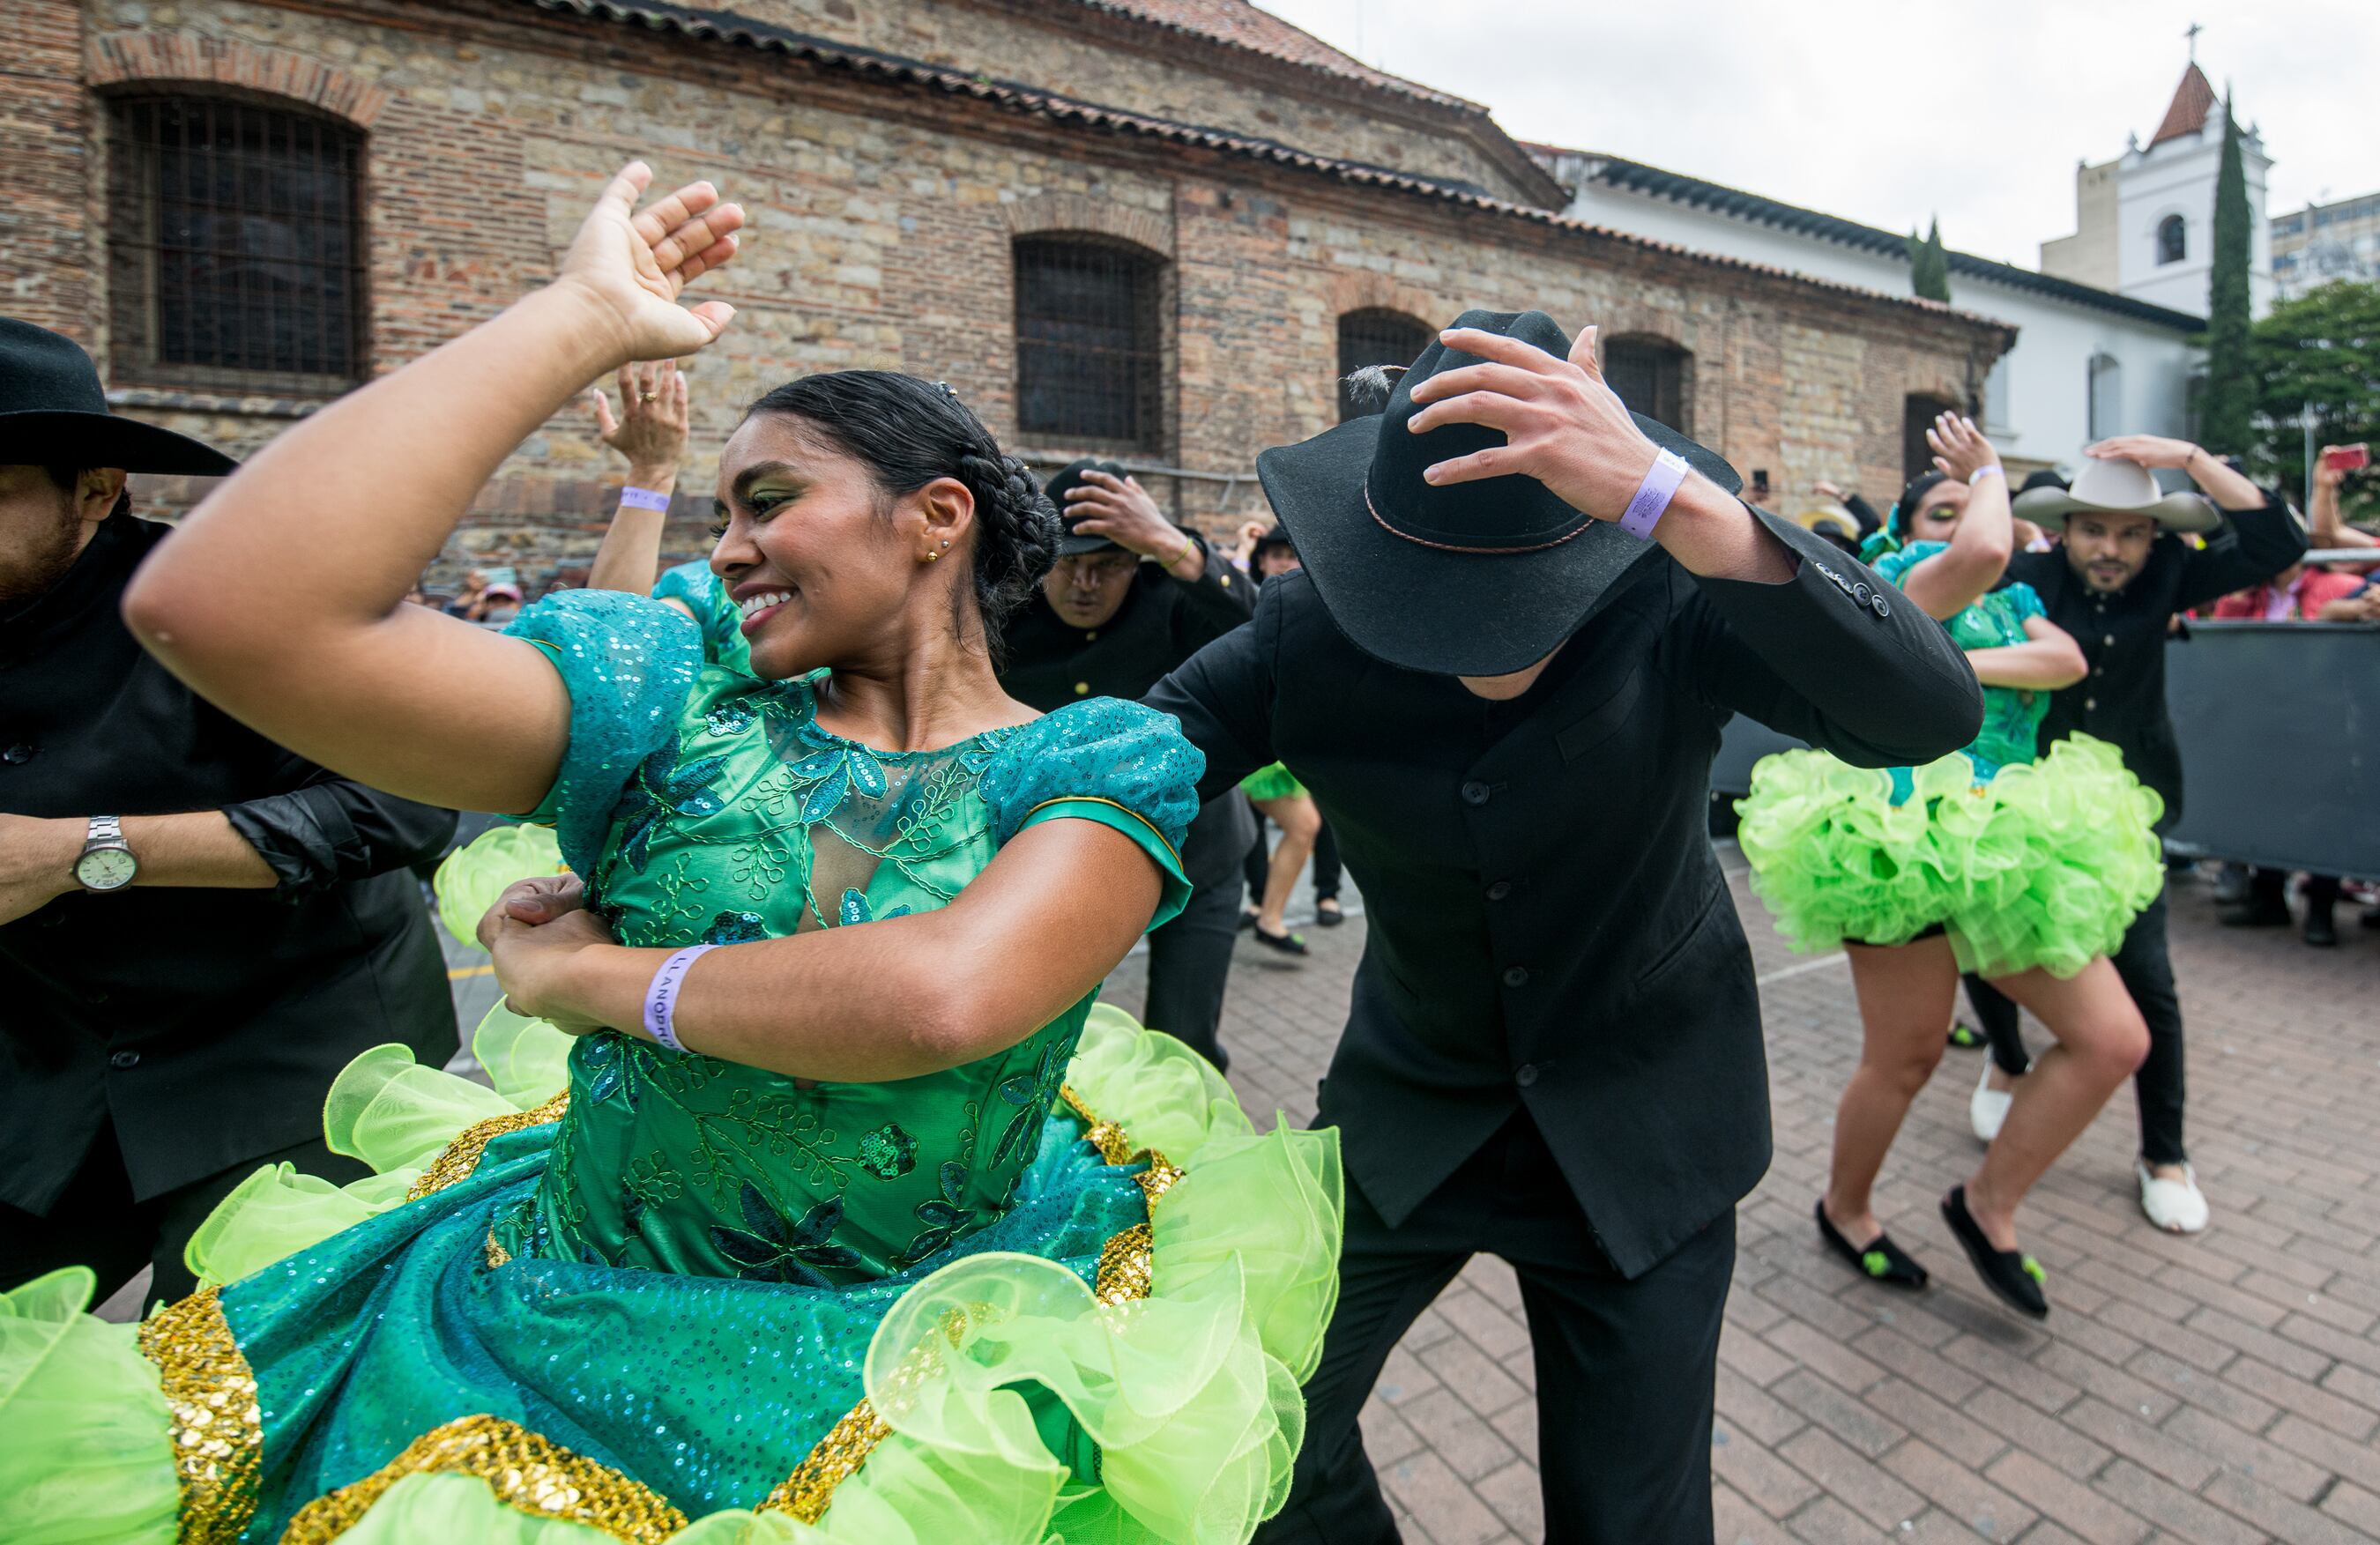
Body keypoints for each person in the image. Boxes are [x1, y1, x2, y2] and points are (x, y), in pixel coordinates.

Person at [1, 165, 1339, 1543]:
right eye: (717, 518)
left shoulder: (1095, 758)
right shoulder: (671, 702)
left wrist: (589, 982)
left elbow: (948, 998)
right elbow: (226, 608)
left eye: (769, 500)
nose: (735, 545)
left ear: (934, 518)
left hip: (930, 1380)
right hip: (542, 1348)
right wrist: (577, 318)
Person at [1151, 310, 1981, 1543]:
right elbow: (1117, 770)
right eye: (1444, 601)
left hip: (1650, 1127)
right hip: (1410, 1116)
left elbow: (1925, 712)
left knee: (1629, 1519)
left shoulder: (1676, 599)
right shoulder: (1301, 634)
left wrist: (1683, 503)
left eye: (1522, 599)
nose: (1488, 643)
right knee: (1251, 1436)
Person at [0, 317, 458, 1313]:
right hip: (48, 1073)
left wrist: (84, 853)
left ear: (96, 486)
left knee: (219, 1402)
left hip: (295, 1066)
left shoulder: (242, 604)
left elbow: (401, 805)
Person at [1740, 416, 2163, 1321]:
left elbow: (2066, 660)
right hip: (1893, 836)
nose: (1965, 518)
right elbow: (1977, 552)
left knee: (2114, 1040)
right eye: (1940, 509)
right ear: (1906, 529)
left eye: (1967, 501)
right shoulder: (1893, 582)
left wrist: (1957, 660)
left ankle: (1987, 1204)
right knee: (1908, 1055)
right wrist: (1986, 476)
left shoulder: (2015, 603)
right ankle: (1844, 1209)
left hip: (2002, 838)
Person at [1961, 439, 2309, 1233]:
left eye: (2129, 533)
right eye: (2093, 530)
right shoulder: (2030, 579)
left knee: (2149, 982)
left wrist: (2188, 457)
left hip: (2133, 810)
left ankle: (2164, 1153)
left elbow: (2277, 543)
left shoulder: (2173, 572)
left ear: (2155, 536)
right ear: (2066, 530)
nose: (2111, 549)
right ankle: (2008, 1057)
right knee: (1987, 947)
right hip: (2029, 806)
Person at [997, 457, 1260, 1071]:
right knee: (1035, 1031)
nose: (1086, 583)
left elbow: (1271, 633)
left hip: (1199, 856)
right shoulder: (1005, 611)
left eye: (1109, 564)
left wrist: (1172, 545)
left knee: (1182, 1042)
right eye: (1070, 564)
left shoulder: (1174, 597)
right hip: (1059, 860)